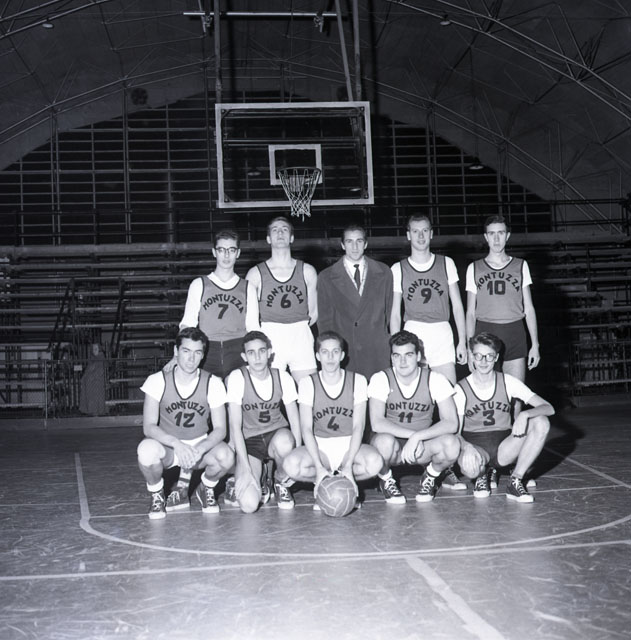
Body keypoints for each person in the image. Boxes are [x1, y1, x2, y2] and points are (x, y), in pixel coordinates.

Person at [137, 327, 234, 519]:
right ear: (176, 351)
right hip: (169, 447)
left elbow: (220, 429)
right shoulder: (157, 381)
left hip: (199, 448)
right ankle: (157, 494)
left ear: (203, 355)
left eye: (197, 353)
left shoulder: (213, 383)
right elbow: (148, 426)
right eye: (186, 351)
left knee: (226, 456)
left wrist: (201, 448)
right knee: (146, 450)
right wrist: (176, 444)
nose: (191, 358)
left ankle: (206, 488)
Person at [283, 331, 383, 508]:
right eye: (325, 352)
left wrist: (349, 465)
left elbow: (358, 427)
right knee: (291, 465)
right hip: (320, 446)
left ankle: (345, 484)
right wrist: (319, 467)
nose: (330, 357)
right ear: (317, 356)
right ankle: (325, 484)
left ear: (342, 355)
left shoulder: (358, 381)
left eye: (335, 352)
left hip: (349, 445)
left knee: (375, 463)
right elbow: (306, 428)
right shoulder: (308, 383)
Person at [455, 332, 554, 502]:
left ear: (496, 357)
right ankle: (481, 475)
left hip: (505, 447)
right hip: (476, 446)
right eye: (478, 356)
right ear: (471, 356)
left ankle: (516, 481)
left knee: (541, 422)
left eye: (489, 356)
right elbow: (455, 433)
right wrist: (466, 447)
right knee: (470, 469)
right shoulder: (460, 389)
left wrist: (525, 414)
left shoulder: (508, 381)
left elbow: (548, 408)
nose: (483, 361)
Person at [368, 330, 460, 503]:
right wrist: (412, 436)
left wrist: (418, 437)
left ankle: (430, 476)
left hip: (422, 447)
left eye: (408, 355)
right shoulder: (381, 378)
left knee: (452, 445)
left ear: (418, 356)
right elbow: (377, 423)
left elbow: (451, 422)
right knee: (383, 442)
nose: (402, 362)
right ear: (392, 357)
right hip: (393, 446)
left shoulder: (435, 379)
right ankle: (386, 480)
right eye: (397, 355)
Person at [225, 331, 301, 513]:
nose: (257, 357)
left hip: (276, 436)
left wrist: (295, 460)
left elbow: (295, 421)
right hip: (249, 442)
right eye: (251, 353)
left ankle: (280, 481)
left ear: (269, 353)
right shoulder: (237, 377)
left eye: (261, 351)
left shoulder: (283, 377)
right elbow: (235, 427)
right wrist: (246, 469)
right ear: (244, 357)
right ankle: (261, 475)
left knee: (285, 442)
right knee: (249, 505)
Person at [171, 229, 259, 379]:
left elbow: (253, 328)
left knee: (236, 392)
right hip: (207, 349)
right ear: (214, 252)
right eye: (221, 250)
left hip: (237, 349)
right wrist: (177, 356)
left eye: (231, 250)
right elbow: (188, 323)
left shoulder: (247, 287)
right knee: (208, 392)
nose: (226, 255)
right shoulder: (199, 284)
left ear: (238, 253)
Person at [390, 214, 467, 385]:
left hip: (442, 331)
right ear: (408, 235)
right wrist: (396, 347)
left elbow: (457, 306)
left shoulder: (446, 263)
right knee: (414, 390)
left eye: (425, 231)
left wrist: (462, 340)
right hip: (413, 330)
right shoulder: (398, 268)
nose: (420, 236)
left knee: (448, 389)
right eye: (415, 231)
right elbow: (395, 314)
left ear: (431, 234)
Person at [465, 214, 540, 382]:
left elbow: (529, 308)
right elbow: (470, 312)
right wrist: (470, 348)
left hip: (514, 332)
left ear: (507, 236)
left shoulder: (521, 265)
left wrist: (535, 344)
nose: (496, 238)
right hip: (485, 332)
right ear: (486, 237)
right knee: (488, 392)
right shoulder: (474, 268)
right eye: (492, 234)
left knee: (516, 392)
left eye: (501, 233)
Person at [246, 216, 318, 383]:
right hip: (270, 334)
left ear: (291, 238)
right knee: (270, 390)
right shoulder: (255, 274)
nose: (280, 233)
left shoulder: (307, 271)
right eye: (275, 230)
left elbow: (313, 313)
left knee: (309, 388)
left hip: (300, 335)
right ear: (268, 239)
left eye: (284, 229)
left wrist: (295, 326)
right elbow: (250, 317)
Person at [317, 224, 393, 379]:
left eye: (359, 241)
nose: (354, 246)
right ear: (342, 245)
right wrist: (331, 352)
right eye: (349, 241)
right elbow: (325, 321)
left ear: (366, 244)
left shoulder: (384, 272)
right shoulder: (326, 277)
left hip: (376, 351)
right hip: (346, 351)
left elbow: (389, 311)